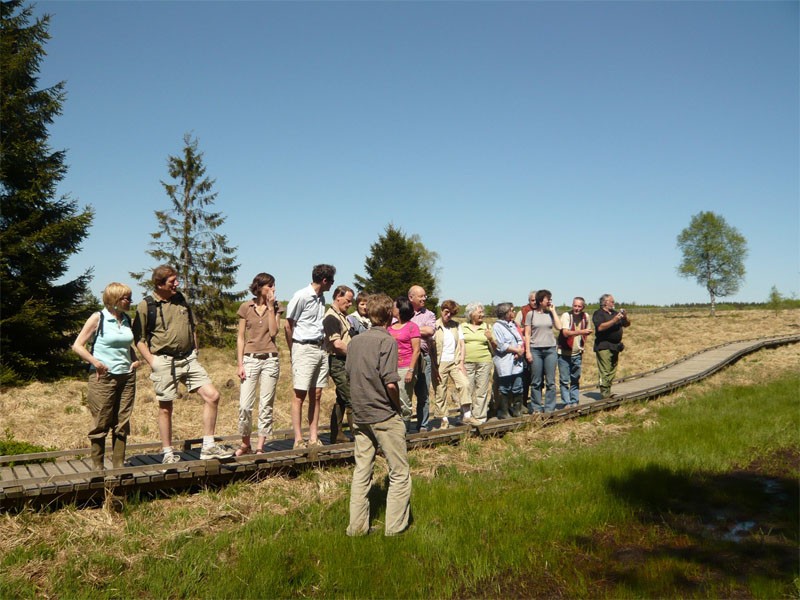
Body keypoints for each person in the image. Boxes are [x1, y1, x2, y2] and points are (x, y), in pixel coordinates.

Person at [133, 265, 233, 463]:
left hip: (188, 359)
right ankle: (168, 453)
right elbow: (138, 338)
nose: (177, 284)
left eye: (176, 280)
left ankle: (208, 446)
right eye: (172, 281)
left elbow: (192, 325)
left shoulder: (181, 299)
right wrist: (152, 361)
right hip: (163, 361)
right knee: (165, 407)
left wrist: (195, 349)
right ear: (160, 284)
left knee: (212, 396)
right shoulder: (147, 305)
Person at [345, 293, 411, 537]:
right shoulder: (388, 342)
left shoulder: (355, 342)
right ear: (390, 315)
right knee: (399, 472)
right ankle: (395, 528)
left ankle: (357, 528)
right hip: (383, 414)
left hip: (360, 415)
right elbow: (391, 383)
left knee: (362, 472)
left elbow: (349, 374)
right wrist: (399, 409)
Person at [72, 282, 139, 471]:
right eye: (126, 298)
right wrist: (95, 363)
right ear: (114, 299)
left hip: (126, 377)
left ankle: (118, 465)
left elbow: (126, 345)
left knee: (122, 421)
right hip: (103, 377)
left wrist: (135, 360)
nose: (130, 301)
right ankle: (98, 467)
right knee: (101, 420)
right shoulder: (98, 317)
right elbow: (77, 345)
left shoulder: (126, 318)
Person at [284, 264, 336, 449]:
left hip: (320, 348)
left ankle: (314, 437)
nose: (332, 284)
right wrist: (294, 350)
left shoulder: (321, 299)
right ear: (324, 280)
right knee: (300, 394)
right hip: (303, 347)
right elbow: (288, 325)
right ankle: (298, 439)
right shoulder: (301, 296)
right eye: (331, 281)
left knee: (317, 393)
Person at [235, 273, 282, 456]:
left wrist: (271, 308)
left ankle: (261, 445)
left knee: (266, 404)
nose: (273, 289)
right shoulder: (246, 307)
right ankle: (245, 443)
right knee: (245, 405)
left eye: (274, 285)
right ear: (260, 287)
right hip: (250, 359)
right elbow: (240, 337)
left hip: (270, 359)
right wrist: (240, 364)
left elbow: (273, 332)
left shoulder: (276, 307)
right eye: (270, 286)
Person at [323, 284, 355, 443]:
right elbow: (337, 343)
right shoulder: (331, 317)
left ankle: (337, 435)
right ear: (338, 297)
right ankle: (361, 436)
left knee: (342, 399)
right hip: (337, 361)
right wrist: (356, 354)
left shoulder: (342, 315)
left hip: (345, 360)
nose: (350, 304)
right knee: (352, 398)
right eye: (348, 301)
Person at [524, 289, 564, 413]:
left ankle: (549, 408)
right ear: (541, 300)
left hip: (550, 350)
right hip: (535, 350)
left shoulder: (550, 314)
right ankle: (536, 407)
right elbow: (527, 333)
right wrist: (528, 351)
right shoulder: (531, 314)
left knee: (551, 382)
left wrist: (553, 311)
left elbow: (559, 327)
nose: (550, 301)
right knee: (536, 381)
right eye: (548, 299)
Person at [432, 300, 469, 430]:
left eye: (451, 313)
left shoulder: (456, 326)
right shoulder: (434, 325)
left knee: (464, 384)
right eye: (446, 312)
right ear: (441, 310)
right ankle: (444, 419)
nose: (448, 315)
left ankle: (467, 415)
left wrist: (461, 362)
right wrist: (434, 366)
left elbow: (462, 344)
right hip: (440, 362)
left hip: (454, 362)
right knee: (440, 390)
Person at [460, 302, 496, 425]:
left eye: (482, 312)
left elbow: (495, 346)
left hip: (484, 361)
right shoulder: (462, 327)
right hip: (466, 362)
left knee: (482, 390)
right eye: (479, 312)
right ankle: (467, 416)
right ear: (471, 314)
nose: (482, 314)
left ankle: (480, 417)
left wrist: (490, 338)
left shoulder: (487, 327)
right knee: (467, 389)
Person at [387, 296, 421, 429]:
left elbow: (416, 350)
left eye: (394, 306)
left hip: (405, 367)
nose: (392, 308)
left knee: (404, 399)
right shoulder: (390, 327)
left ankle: (404, 428)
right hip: (391, 367)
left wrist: (411, 370)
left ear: (401, 309)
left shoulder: (412, 327)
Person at [408, 285, 437, 431]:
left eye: (425, 296)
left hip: (423, 357)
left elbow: (430, 330)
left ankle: (423, 425)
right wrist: (419, 331)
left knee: (423, 394)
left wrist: (409, 330)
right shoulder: (402, 312)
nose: (424, 298)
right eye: (421, 296)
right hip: (405, 357)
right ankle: (405, 426)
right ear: (411, 297)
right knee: (405, 394)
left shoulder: (429, 314)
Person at [592, 293, 631, 398]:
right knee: (605, 370)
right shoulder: (598, 313)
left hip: (616, 346)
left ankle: (607, 391)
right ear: (605, 302)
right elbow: (600, 327)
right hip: (603, 345)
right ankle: (605, 394)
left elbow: (627, 324)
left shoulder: (615, 313)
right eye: (612, 301)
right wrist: (614, 320)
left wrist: (625, 316)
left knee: (612, 370)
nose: (614, 303)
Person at [492, 303, 526, 419]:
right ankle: (504, 411)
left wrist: (519, 351)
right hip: (505, 361)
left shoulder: (513, 325)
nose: (514, 312)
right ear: (506, 313)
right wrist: (516, 350)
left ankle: (517, 410)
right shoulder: (497, 327)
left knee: (518, 386)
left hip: (516, 361)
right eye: (512, 310)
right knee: (504, 387)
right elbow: (500, 345)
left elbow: (520, 339)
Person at [557, 297, 593, 407]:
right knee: (564, 380)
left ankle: (575, 401)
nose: (576, 308)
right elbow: (565, 333)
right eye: (575, 306)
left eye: (579, 306)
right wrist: (581, 332)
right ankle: (566, 403)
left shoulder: (586, 317)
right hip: (564, 353)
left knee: (575, 379)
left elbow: (588, 331)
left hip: (577, 353)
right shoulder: (566, 316)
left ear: (583, 307)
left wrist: (582, 344)